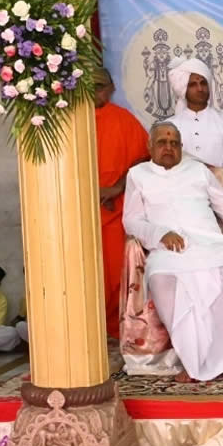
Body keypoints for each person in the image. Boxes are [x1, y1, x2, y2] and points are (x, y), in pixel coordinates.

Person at [123, 121, 223, 382]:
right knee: (162, 279)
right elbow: (132, 221)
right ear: (150, 147)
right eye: (162, 142)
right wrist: (160, 234)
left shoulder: (198, 171)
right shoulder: (138, 174)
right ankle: (192, 362)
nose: (168, 147)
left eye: (174, 143)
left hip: (211, 244)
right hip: (169, 251)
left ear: (182, 147)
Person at [94, 67, 150, 338]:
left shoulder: (124, 120)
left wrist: (116, 188)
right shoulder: (69, 120)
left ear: (111, 87)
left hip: (117, 210)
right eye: (91, 87)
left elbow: (142, 159)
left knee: (118, 270)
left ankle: (117, 329)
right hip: (82, 213)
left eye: (100, 86)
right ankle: (90, 330)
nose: (96, 92)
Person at [169, 57, 223, 196]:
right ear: (184, 88)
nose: (200, 88)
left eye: (203, 83)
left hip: (219, 198)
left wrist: (217, 195)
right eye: (193, 84)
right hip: (182, 198)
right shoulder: (170, 127)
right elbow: (168, 166)